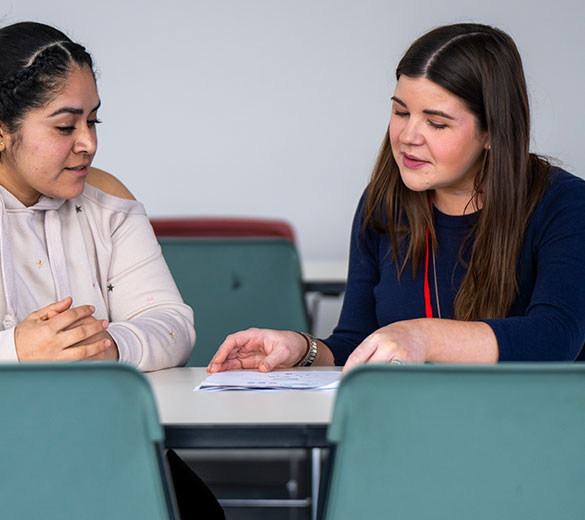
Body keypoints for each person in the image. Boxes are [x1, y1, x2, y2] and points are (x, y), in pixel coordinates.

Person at [208, 22, 585, 376]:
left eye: (436, 123)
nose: (408, 136)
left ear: (493, 132)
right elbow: (356, 342)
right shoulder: (383, 203)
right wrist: (302, 348)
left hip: (528, 428)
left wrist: (421, 337)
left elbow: (555, 338)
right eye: (400, 111)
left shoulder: (565, 204)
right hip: (410, 424)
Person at [0, 22, 224, 519]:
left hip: (103, 437)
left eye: (93, 122)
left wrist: (107, 346)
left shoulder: (108, 203)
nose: (88, 144)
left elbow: (171, 322)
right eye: (65, 127)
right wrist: (18, 350)